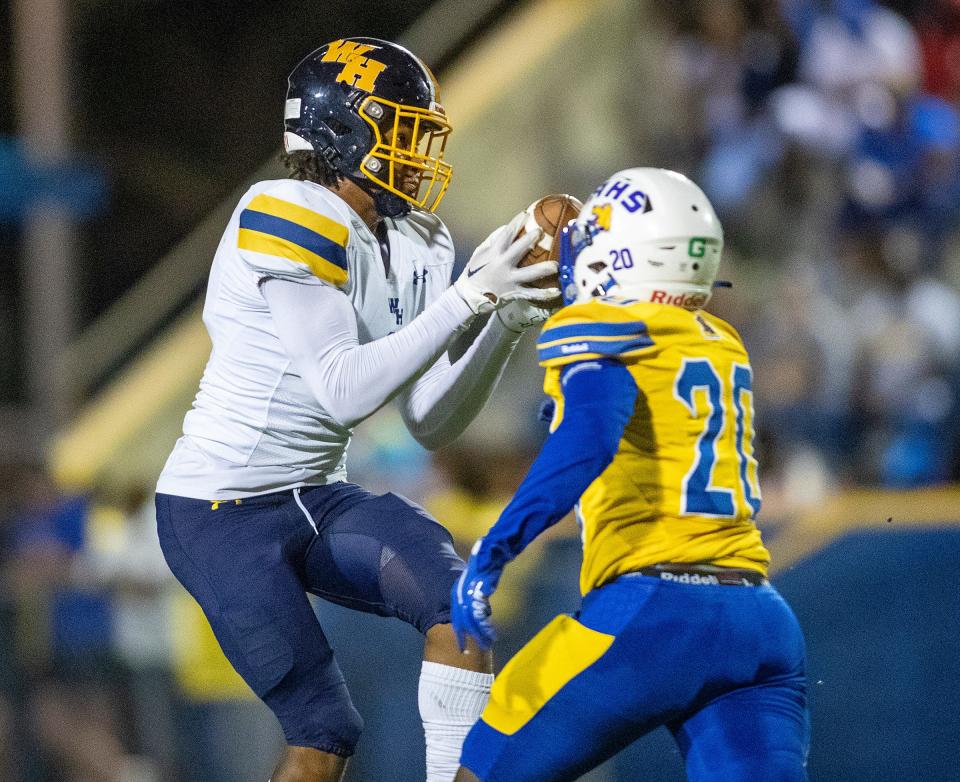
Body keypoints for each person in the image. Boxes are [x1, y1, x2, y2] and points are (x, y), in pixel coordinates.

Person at [154, 37, 558, 782]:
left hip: (314, 493)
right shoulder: (284, 210)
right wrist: (476, 296)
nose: (420, 152)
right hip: (218, 511)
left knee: (459, 603)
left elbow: (427, 417)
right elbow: (343, 387)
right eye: (405, 129)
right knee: (323, 732)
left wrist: (502, 323)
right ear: (342, 128)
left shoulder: (418, 237)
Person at [451, 168, 810, 781]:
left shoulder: (602, 332)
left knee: (482, 773)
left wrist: (492, 552)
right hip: (759, 621)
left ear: (620, 255)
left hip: (654, 613)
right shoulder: (719, 339)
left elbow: (586, 443)